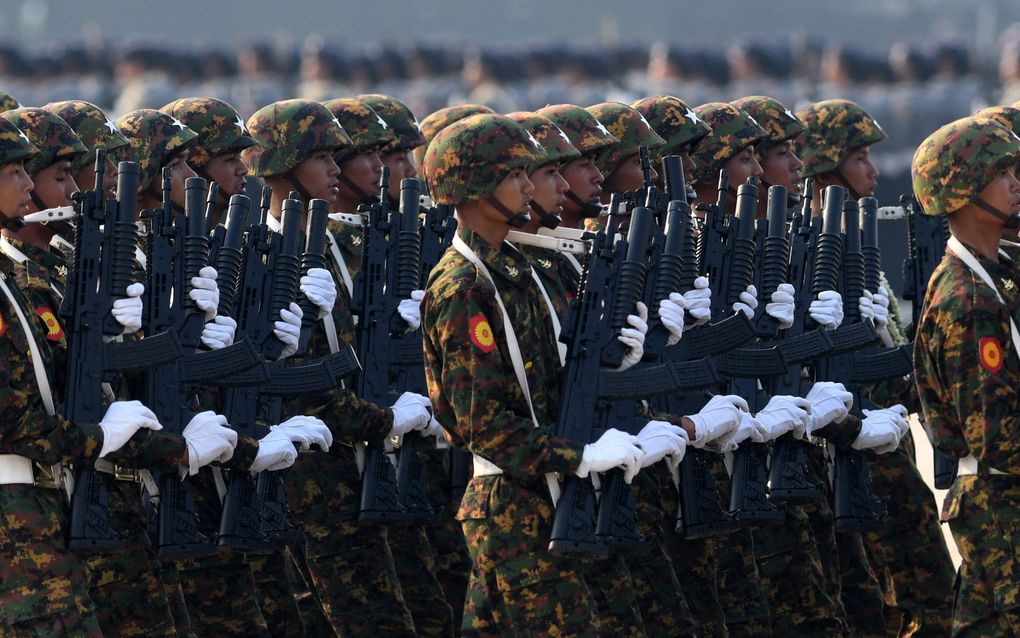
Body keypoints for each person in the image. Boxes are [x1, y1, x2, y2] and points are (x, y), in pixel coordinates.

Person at [420, 112, 649, 636]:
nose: (532, 186)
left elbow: (551, 387)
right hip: (514, 511)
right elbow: (483, 424)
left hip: (546, 495)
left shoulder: (514, 271)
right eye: (515, 175)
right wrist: (579, 456)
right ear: (474, 185)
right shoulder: (463, 287)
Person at [242, 98, 434, 638]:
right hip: (303, 471)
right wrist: (380, 420)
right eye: (323, 157)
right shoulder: (256, 252)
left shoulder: (336, 246)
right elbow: (285, 373)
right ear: (281, 166)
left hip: (356, 460)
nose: (337, 169)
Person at [799, 98, 955, 637]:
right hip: (850, 447)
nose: (871, 170)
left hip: (885, 436)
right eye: (859, 157)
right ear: (825, 167)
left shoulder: (851, 239)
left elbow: (887, 337)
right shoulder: (809, 248)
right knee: (908, 596)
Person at [0, 110, 157, 638]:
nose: (26, 182)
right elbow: (14, 421)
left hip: (37, 509)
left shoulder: (8, 284)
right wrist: (98, 438)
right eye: (12, 171)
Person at [913, 114, 1020, 637]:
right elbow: (997, 434)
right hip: (1002, 507)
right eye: (1002, 173)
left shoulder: (996, 275)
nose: (1015, 182)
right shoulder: (968, 301)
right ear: (964, 190)